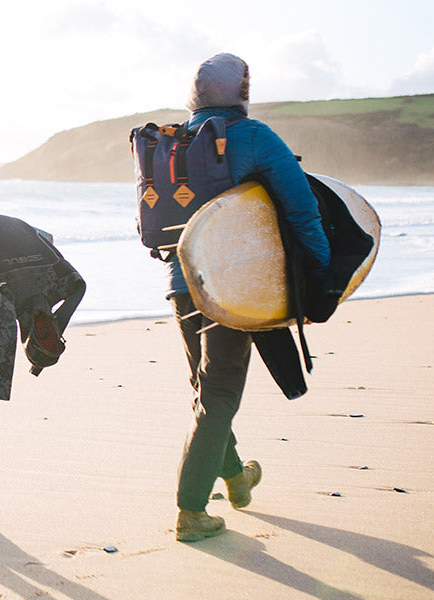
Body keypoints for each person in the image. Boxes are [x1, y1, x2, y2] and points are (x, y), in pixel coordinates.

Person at [164, 54, 331, 541]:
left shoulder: (172, 143)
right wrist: (320, 274)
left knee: (206, 389)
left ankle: (236, 478)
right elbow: (302, 211)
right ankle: (191, 511)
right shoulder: (254, 137)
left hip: (180, 284)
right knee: (218, 395)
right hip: (232, 290)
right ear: (242, 89)